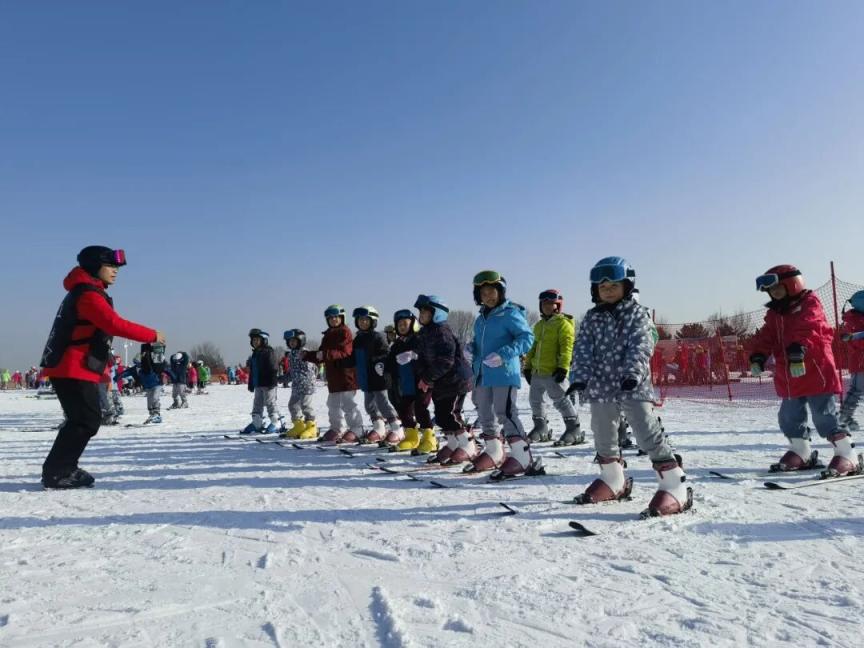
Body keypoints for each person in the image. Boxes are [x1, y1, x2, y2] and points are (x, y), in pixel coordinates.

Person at [569, 257, 691, 517]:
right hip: (601, 385)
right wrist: (578, 376)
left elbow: (641, 345)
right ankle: (613, 479)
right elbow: (582, 350)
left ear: (627, 286)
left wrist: (632, 373)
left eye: (613, 285)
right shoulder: (591, 318)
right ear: (594, 291)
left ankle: (673, 483)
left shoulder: (638, 314)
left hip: (632, 383)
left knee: (644, 429)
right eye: (602, 287)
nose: (608, 290)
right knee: (602, 430)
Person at [39, 246, 164, 489]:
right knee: (84, 421)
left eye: (117, 267)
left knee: (83, 420)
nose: (116, 271)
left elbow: (97, 338)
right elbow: (113, 324)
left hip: (78, 367)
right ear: (94, 267)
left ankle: (61, 468)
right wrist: (152, 335)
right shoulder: (87, 295)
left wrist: (103, 375)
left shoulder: (90, 292)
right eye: (111, 266)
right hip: (70, 367)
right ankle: (58, 471)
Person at [749, 265, 859, 477]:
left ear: (793, 286)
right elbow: (766, 336)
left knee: (823, 415)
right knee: (788, 416)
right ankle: (801, 451)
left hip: (814, 368)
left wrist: (798, 349)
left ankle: (847, 454)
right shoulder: (774, 314)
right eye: (772, 292)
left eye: (778, 290)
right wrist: (758, 355)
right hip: (789, 374)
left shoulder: (810, 304)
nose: (775, 295)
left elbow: (812, 328)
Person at [466, 271, 539, 477]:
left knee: (504, 411)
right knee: (484, 412)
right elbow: (480, 342)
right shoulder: (481, 319)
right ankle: (494, 451)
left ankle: (522, 457)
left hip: (503, 373)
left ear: (501, 292)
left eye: (492, 292)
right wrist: (471, 348)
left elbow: (526, 338)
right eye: (483, 293)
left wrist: (503, 354)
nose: (488, 296)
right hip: (482, 373)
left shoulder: (510, 313)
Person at [412, 295, 474, 462]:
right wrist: (422, 375)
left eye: (425, 312)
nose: (421, 315)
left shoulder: (442, 332)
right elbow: (423, 358)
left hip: (455, 381)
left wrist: (427, 377)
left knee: (450, 414)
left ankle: (468, 444)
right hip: (441, 382)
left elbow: (446, 361)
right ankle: (453, 444)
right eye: (421, 312)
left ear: (437, 313)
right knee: (440, 416)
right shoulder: (425, 333)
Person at [522, 289, 583, 445]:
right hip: (537, 371)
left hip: (554, 371)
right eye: (544, 304)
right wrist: (528, 367)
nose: (547, 307)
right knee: (535, 400)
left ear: (558, 305)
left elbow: (566, 347)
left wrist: (563, 367)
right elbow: (532, 348)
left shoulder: (563, 324)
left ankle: (573, 429)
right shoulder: (539, 325)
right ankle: (540, 428)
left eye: (551, 304)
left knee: (561, 400)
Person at [306, 305, 365, 443]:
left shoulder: (345, 332)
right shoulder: (327, 335)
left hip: (345, 374)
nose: (333, 320)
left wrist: (325, 354)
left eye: (336, 317)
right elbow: (321, 355)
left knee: (348, 403)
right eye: (330, 318)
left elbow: (346, 352)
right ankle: (336, 428)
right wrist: (308, 355)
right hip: (333, 377)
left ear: (341, 318)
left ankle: (357, 428)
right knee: (332, 404)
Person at [350, 306, 403, 445]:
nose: (362, 323)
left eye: (366, 320)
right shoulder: (358, 339)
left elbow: (385, 354)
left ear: (373, 321)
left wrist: (376, 361)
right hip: (366, 378)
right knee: (369, 404)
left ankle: (397, 428)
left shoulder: (378, 336)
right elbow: (353, 357)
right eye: (360, 320)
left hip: (378, 377)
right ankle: (379, 428)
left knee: (383, 403)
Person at [387, 308, 433, 453]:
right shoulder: (397, 344)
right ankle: (411, 437)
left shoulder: (420, 338)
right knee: (403, 410)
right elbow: (390, 361)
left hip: (421, 382)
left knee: (420, 409)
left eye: (405, 323)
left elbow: (428, 354)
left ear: (413, 323)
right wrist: (385, 367)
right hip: (406, 384)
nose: (402, 326)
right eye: (399, 324)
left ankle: (429, 438)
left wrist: (414, 354)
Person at [241, 329, 288, 434]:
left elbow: (273, 367)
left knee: (270, 402)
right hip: (258, 383)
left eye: (257, 340)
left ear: (264, 340)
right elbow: (253, 370)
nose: (255, 342)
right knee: (257, 403)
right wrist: (251, 383)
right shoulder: (255, 354)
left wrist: (272, 380)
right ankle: (257, 423)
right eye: (253, 340)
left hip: (268, 383)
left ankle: (277, 422)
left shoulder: (268, 352)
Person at [281, 329, 318, 439]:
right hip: (297, 385)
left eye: (294, 341)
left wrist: (307, 380)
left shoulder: (304, 353)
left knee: (306, 406)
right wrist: (284, 378)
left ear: (301, 341)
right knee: (292, 405)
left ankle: (311, 427)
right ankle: (299, 425)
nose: (292, 343)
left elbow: (310, 369)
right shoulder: (291, 354)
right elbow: (293, 370)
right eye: (290, 341)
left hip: (306, 385)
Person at [839, 290, 864, 432]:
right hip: (860, 362)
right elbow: (854, 343)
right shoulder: (852, 320)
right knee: (856, 390)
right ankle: (844, 418)